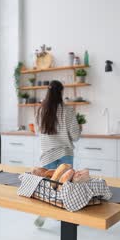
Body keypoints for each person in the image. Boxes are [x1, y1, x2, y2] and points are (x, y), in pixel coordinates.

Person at [34, 80, 81, 227]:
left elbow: (37, 132)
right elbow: (75, 136)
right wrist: (79, 127)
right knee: (64, 186)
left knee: (48, 187)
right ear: (61, 92)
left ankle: (44, 211)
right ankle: (62, 215)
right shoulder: (67, 111)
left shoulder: (40, 110)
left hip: (47, 154)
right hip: (64, 153)